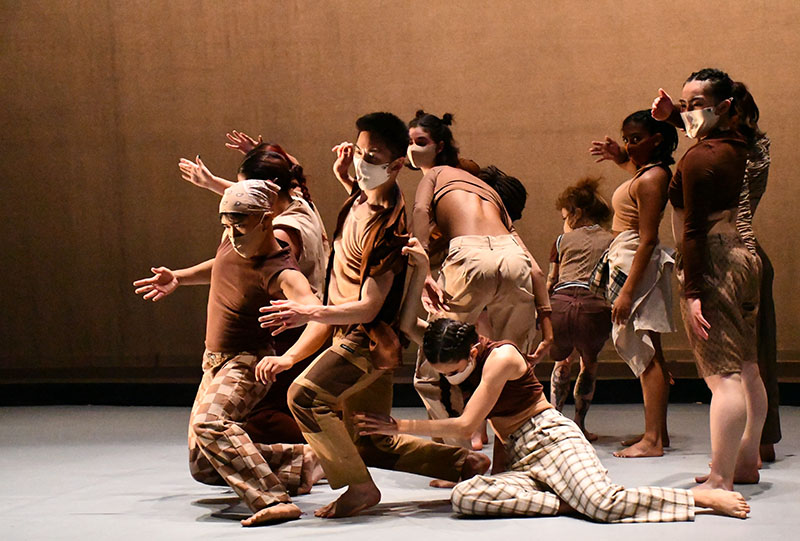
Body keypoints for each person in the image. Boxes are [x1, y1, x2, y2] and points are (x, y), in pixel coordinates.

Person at [354, 240, 750, 522]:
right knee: (465, 496)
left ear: (473, 351)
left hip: (550, 439)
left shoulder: (501, 357)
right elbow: (407, 325)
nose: (451, 378)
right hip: (522, 455)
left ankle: (700, 500)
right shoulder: (446, 346)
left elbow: (466, 426)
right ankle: (566, 500)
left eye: (454, 370)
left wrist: (399, 425)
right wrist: (421, 269)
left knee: (604, 505)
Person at [253, 112, 490, 519]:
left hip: (364, 339)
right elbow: (363, 204)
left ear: (397, 165)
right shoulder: (361, 197)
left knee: (305, 397)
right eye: (359, 151)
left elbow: (369, 306)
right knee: (369, 438)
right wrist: (345, 176)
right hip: (347, 332)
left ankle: (359, 488)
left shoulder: (389, 226)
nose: (362, 161)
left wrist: (308, 311)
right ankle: (463, 464)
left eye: (372, 156)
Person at [132, 180, 324, 527]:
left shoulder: (279, 269)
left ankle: (273, 499)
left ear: (266, 220)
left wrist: (289, 358)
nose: (232, 232)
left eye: (240, 223)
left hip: (246, 361)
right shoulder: (233, 242)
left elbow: (319, 318)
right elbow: (219, 265)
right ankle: (304, 461)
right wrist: (179, 276)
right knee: (204, 464)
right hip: (215, 362)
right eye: (226, 223)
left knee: (211, 424)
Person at [651, 68, 767, 491]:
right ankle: (746, 460)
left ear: (724, 108)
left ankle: (720, 477)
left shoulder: (700, 158)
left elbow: (693, 231)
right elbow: (705, 134)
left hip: (712, 262)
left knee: (723, 376)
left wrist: (693, 291)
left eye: (695, 105)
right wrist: (673, 119)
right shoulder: (737, 143)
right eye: (685, 105)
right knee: (748, 367)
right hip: (741, 256)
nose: (688, 113)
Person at [588, 110, 679, 457]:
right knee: (649, 349)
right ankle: (658, 433)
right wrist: (620, 157)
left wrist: (627, 292)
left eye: (635, 139)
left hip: (636, 263)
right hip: (627, 257)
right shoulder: (645, 173)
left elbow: (648, 239)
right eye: (626, 138)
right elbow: (637, 178)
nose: (628, 145)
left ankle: (653, 440)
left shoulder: (653, 177)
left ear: (657, 139)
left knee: (646, 351)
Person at [546, 178, 614, 441]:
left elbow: (551, 280)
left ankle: (554, 424)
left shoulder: (562, 240)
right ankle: (579, 425)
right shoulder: (612, 240)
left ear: (577, 213)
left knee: (562, 362)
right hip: (593, 307)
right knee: (589, 364)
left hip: (561, 305)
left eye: (566, 216)